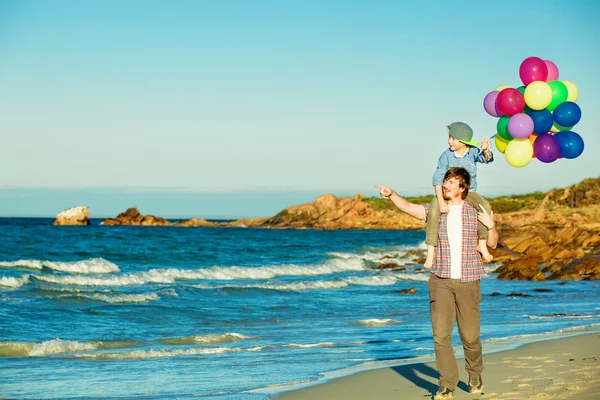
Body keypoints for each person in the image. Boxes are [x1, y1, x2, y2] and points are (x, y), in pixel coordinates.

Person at [375, 167, 498, 400]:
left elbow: (492, 244)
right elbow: (410, 208)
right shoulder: (435, 209)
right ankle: (447, 384)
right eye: (445, 181)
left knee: (470, 336)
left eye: (452, 182)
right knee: (441, 336)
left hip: (468, 279)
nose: (446, 185)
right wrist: (392, 194)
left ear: (463, 187)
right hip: (440, 280)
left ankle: (474, 374)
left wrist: (491, 225)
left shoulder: (474, 209)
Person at [424, 122, 494, 270]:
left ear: (463, 141)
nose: (449, 141)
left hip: (469, 192)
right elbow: (437, 180)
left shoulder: (473, 152)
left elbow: (486, 159)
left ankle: (482, 245)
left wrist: (486, 149)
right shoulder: (446, 156)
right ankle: (430, 253)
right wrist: (441, 201)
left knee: (484, 207)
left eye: (453, 138)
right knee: (433, 210)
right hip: (448, 194)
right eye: (449, 138)